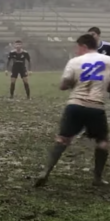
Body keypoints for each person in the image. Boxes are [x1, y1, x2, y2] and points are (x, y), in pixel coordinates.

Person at [35, 34, 110, 187]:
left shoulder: (75, 61)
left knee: (62, 139)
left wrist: (73, 83)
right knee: (102, 142)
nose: (76, 51)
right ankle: (97, 178)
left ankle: (46, 172)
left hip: (75, 105)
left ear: (83, 46)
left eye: (77, 47)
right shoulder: (108, 61)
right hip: (96, 107)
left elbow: (64, 85)